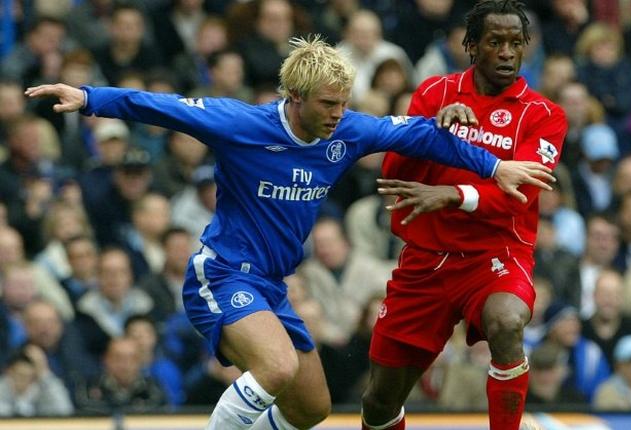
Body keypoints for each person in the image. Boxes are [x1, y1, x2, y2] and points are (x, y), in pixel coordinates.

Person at [27, 36, 550, 430]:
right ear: (296, 98)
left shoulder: (346, 130)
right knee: (275, 368)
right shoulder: (242, 125)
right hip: (224, 270)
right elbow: (159, 107)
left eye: (343, 102)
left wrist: (492, 167)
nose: (339, 114)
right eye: (328, 104)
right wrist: (90, 97)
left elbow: (417, 135)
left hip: (273, 286)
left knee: (311, 411)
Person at [364, 2, 567, 429]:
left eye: (516, 43)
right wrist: (431, 136)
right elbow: (394, 177)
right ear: (472, 46)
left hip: (495, 256)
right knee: (379, 402)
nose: (508, 53)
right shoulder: (434, 94)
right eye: (496, 42)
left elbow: (521, 194)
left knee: (507, 321)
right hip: (427, 259)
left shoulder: (544, 115)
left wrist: (453, 195)